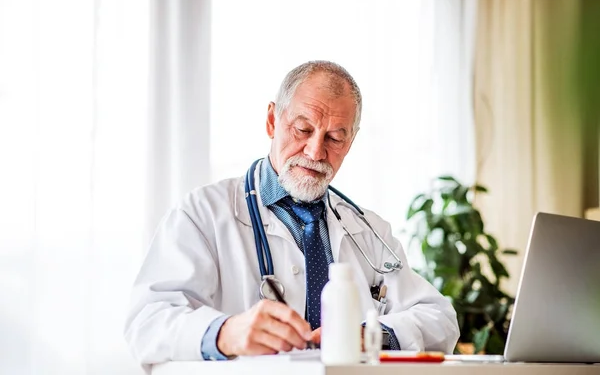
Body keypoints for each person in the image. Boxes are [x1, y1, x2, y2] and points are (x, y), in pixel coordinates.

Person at [124, 60, 459, 365]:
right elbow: (147, 321)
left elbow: (439, 318)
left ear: (351, 142)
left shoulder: (368, 230)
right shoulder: (203, 214)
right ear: (272, 120)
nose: (315, 151)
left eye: (334, 137)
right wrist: (226, 333)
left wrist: (374, 334)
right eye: (303, 129)